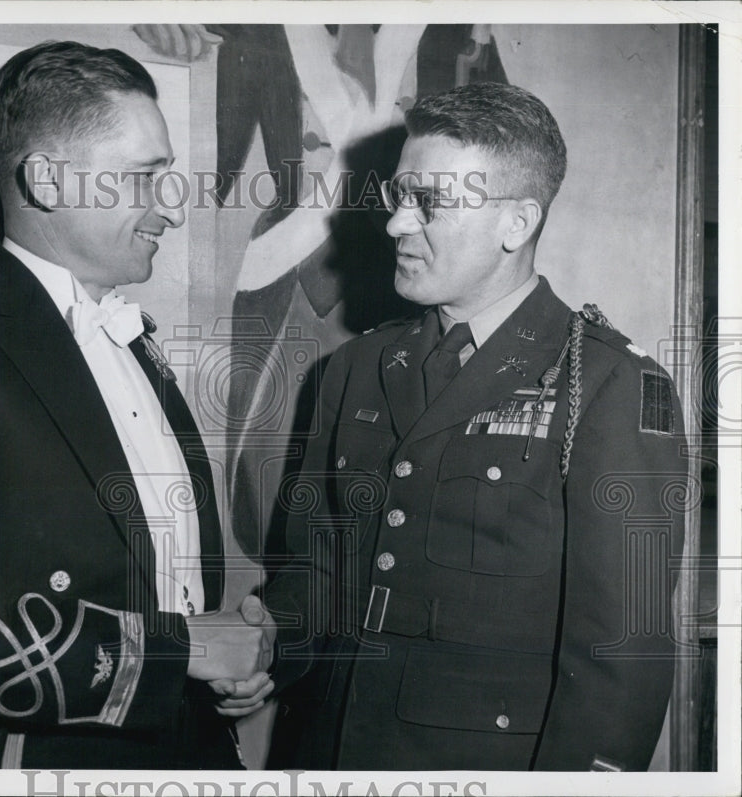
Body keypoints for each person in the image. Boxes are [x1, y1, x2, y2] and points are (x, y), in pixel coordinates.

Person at [251, 82, 689, 770]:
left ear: (515, 223)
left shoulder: (611, 383)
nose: (396, 224)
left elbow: (622, 649)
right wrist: (261, 639)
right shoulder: (356, 367)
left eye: (428, 203)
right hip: (328, 752)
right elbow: (319, 571)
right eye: (399, 197)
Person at [0, 40, 272, 770]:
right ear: (47, 180)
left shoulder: (129, 336)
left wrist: (221, 668)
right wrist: (184, 651)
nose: (167, 211)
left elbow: (163, 576)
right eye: (145, 178)